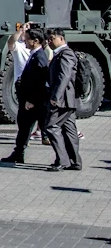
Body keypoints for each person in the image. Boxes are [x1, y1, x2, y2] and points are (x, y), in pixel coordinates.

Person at [1, 27, 50, 164]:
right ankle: (18, 153)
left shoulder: (39, 56)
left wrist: (31, 100)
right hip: (28, 97)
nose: (25, 40)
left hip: (34, 100)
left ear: (35, 41)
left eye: (27, 38)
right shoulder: (33, 53)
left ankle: (63, 157)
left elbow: (39, 82)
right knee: (24, 126)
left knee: (47, 128)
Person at [42, 28, 82, 171]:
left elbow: (64, 76)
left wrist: (55, 97)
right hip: (66, 100)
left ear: (62, 39)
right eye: (48, 39)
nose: (50, 42)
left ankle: (63, 161)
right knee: (69, 129)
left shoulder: (66, 54)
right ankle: (75, 162)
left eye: (52, 38)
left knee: (51, 127)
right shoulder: (60, 54)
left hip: (63, 100)